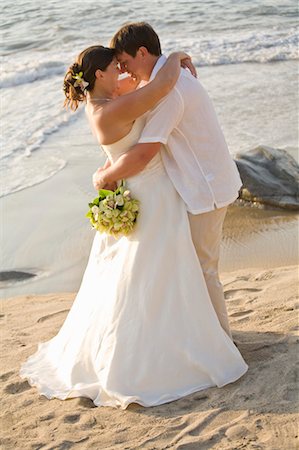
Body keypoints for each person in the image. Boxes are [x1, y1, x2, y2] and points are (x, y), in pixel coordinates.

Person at [19, 44, 248, 409]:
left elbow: (147, 84)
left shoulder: (106, 100)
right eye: (116, 67)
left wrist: (158, 65)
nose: (123, 74)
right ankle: (155, 351)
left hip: (144, 191)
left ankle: (173, 334)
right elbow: (159, 92)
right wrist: (176, 56)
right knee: (154, 273)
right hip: (151, 193)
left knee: (149, 274)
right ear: (99, 76)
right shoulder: (116, 107)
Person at [93, 22, 243, 340]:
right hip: (201, 182)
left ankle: (221, 341)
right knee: (190, 267)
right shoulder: (164, 79)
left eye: (125, 63)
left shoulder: (168, 91)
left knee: (203, 268)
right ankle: (200, 335)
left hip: (206, 189)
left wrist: (105, 176)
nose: (123, 72)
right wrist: (176, 55)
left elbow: (144, 152)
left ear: (143, 53)